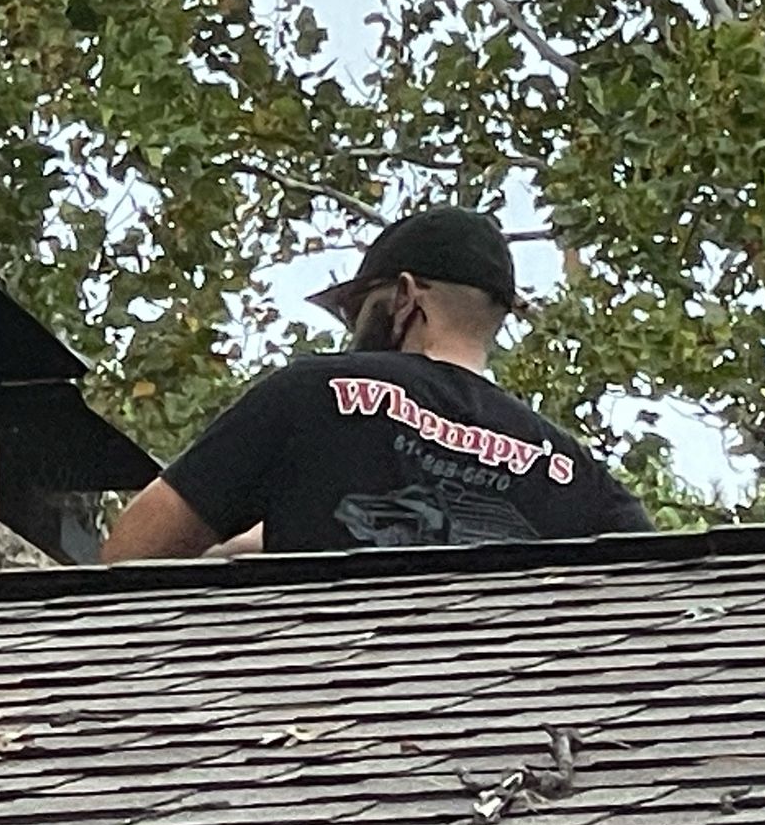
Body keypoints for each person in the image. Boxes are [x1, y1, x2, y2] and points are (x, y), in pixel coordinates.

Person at [101, 207, 653, 561]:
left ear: (407, 296)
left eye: (358, 311)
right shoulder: (579, 476)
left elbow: (131, 560)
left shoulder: (309, 393)